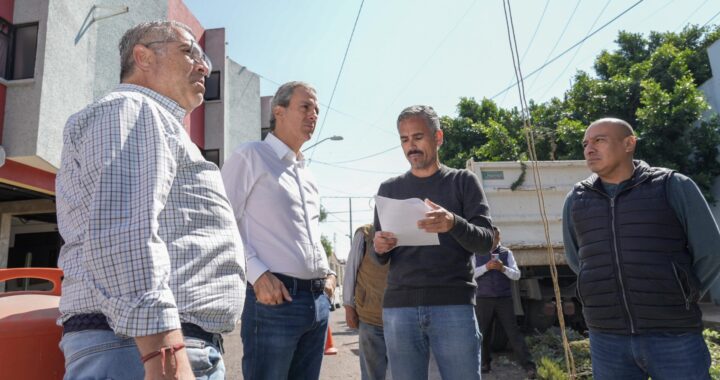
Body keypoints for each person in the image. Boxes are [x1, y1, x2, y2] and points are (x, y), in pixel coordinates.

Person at [55, 20, 246, 380]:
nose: (204, 66)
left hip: (149, 347)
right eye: (190, 52)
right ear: (142, 56)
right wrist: (165, 354)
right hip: (142, 350)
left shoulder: (151, 119)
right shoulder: (132, 107)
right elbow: (122, 233)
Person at [562, 117, 720, 380]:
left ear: (629, 143)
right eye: (585, 143)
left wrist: (681, 292)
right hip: (607, 337)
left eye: (599, 140)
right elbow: (577, 259)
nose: (589, 149)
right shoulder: (577, 199)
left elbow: (711, 251)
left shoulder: (672, 185)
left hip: (673, 334)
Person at [221, 81, 337, 380]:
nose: (314, 115)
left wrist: (328, 273)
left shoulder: (307, 175)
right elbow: (221, 221)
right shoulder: (251, 155)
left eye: (317, 110)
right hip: (273, 303)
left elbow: (306, 234)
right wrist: (256, 273)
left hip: (317, 303)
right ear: (279, 111)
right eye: (306, 106)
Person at [373, 105, 494, 380]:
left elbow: (486, 240)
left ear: (438, 137)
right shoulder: (388, 190)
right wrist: (380, 247)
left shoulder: (463, 181)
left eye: (418, 137)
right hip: (399, 308)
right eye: (404, 139)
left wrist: (453, 222)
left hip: (453, 305)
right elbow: (378, 254)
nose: (410, 146)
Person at [474, 226, 536, 377]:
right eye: (492, 237)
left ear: (499, 238)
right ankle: (484, 363)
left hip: (503, 299)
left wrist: (503, 269)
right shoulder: (477, 253)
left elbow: (516, 275)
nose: (494, 241)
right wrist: (486, 267)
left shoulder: (506, 253)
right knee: (483, 333)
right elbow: (471, 274)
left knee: (513, 332)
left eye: (496, 238)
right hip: (483, 298)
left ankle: (529, 365)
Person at [343, 224, 391, 380]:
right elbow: (351, 269)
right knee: (372, 375)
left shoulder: (409, 231)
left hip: (403, 319)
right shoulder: (365, 234)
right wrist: (348, 306)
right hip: (371, 318)